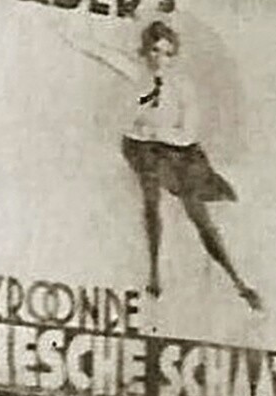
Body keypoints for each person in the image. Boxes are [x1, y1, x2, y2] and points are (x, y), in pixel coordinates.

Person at [76, 18, 260, 312]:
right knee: (151, 201)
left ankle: (238, 281)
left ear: (173, 55)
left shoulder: (183, 88)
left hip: (179, 153)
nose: (158, 58)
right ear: (145, 52)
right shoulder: (139, 75)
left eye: (165, 52)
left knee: (198, 214)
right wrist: (65, 31)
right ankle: (154, 274)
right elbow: (102, 53)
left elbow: (188, 133)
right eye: (153, 51)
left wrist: (160, 134)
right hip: (144, 149)